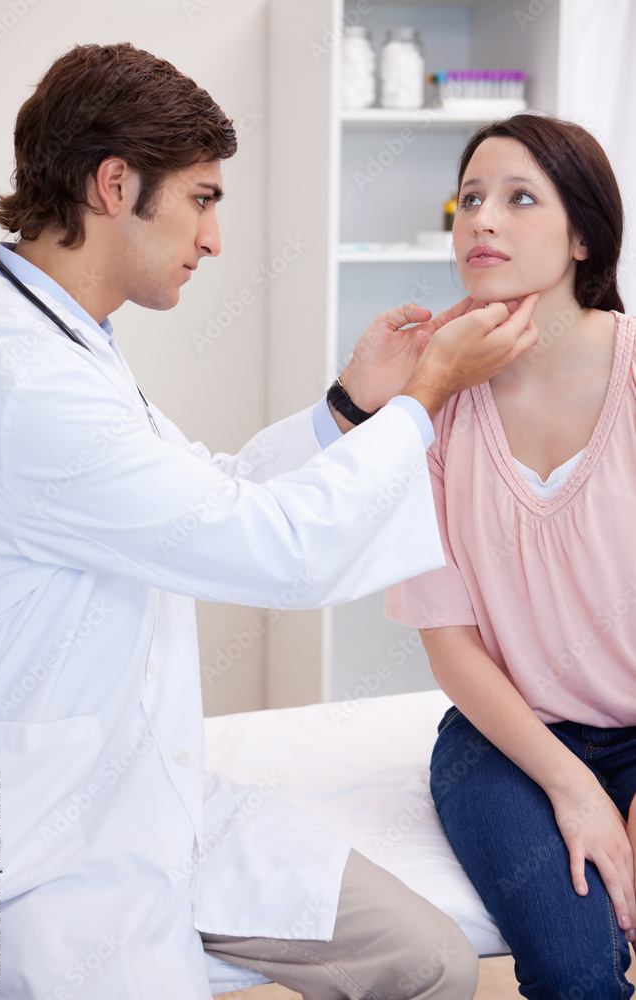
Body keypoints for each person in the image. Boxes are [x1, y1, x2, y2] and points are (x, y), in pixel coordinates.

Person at [0, 44, 538, 1000]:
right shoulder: (20, 383)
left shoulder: (68, 342)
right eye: (201, 198)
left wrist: (352, 407)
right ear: (116, 184)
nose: (215, 238)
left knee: (431, 961)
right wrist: (425, 401)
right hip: (44, 844)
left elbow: (212, 494)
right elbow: (276, 553)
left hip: (159, 794)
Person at [386, 112, 636, 999]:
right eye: (470, 200)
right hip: (503, 739)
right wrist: (575, 788)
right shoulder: (429, 409)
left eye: (518, 198)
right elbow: (449, 644)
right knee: (578, 974)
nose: (481, 220)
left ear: (581, 235)